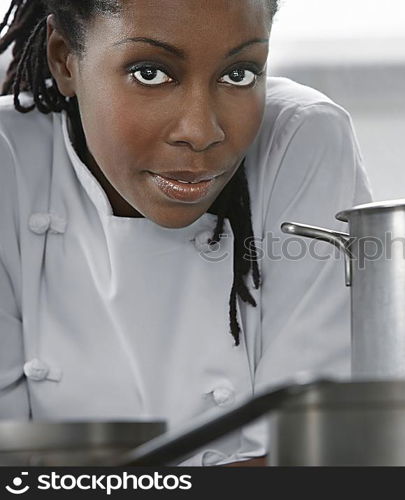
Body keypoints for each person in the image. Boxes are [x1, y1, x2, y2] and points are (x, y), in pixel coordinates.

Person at [0, 0, 372, 465]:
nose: (200, 131)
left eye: (239, 73)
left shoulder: (300, 138)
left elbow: (311, 449)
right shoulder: (8, 158)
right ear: (64, 59)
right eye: (150, 73)